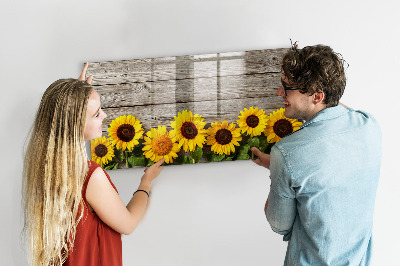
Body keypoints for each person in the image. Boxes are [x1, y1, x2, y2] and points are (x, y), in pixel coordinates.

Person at [22, 63, 165, 266]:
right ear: (75, 124)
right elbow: (128, 223)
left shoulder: (44, 167)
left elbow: (63, 118)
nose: (104, 116)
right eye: (97, 114)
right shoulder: (89, 176)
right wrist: (146, 182)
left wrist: (76, 96)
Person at [251, 44, 382, 265]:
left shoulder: (287, 153)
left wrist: (278, 169)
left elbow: (279, 224)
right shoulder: (369, 125)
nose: (279, 92)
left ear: (317, 95)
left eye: (287, 87)